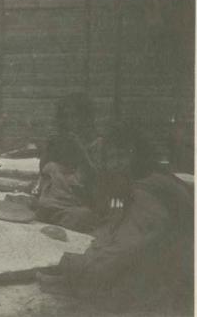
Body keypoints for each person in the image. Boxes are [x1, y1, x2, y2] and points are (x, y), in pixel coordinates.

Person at [38, 123, 194, 315]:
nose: (116, 164)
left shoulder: (149, 192)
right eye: (111, 158)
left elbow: (125, 248)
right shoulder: (141, 183)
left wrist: (74, 267)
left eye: (122, 156)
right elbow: (116, 225)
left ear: (139, 155)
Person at [33, 93, 102, 232]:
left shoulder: (98, 143)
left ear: (86, 117)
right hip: (52, 201)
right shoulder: (61, 140)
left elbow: (97, 178)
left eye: (74, 116)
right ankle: (52, 214)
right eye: (65, 116)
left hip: (78, 203)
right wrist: (48, 149)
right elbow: (44, 171)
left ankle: (55, 216)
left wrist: (81, 150)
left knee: (83, 216)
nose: (70, 121)